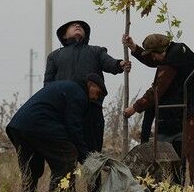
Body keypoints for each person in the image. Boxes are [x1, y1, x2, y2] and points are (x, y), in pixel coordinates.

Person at [123, 33, 194, 192]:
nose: (153, 59)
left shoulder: (170, 63)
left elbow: (157, 90)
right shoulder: (178, 50)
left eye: (153, 55)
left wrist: (135, 108)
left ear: (158, 51)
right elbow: (157, 60)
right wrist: (134, 49)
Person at [6, 74, 106, 192]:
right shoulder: (79, 94)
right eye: (98, 92)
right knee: (68, 157)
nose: (97, 97)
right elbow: (73, 128)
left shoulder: (68, 88)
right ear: (91, 85)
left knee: (32, 168)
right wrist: (86, 158)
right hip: (39, 124)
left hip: (18, 126)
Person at [44, 19, 130, 152]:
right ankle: (67, 174)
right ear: (64, 36)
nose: (78, 26)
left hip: (91, 108)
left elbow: (109, 63)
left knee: (93, 153)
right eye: (72, 25)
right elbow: (48, 84)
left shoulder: (96, 51)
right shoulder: (54, 56)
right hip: (64, 109)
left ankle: (94, 173)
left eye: (81, 26)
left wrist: (120, 64)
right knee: (66, 152)